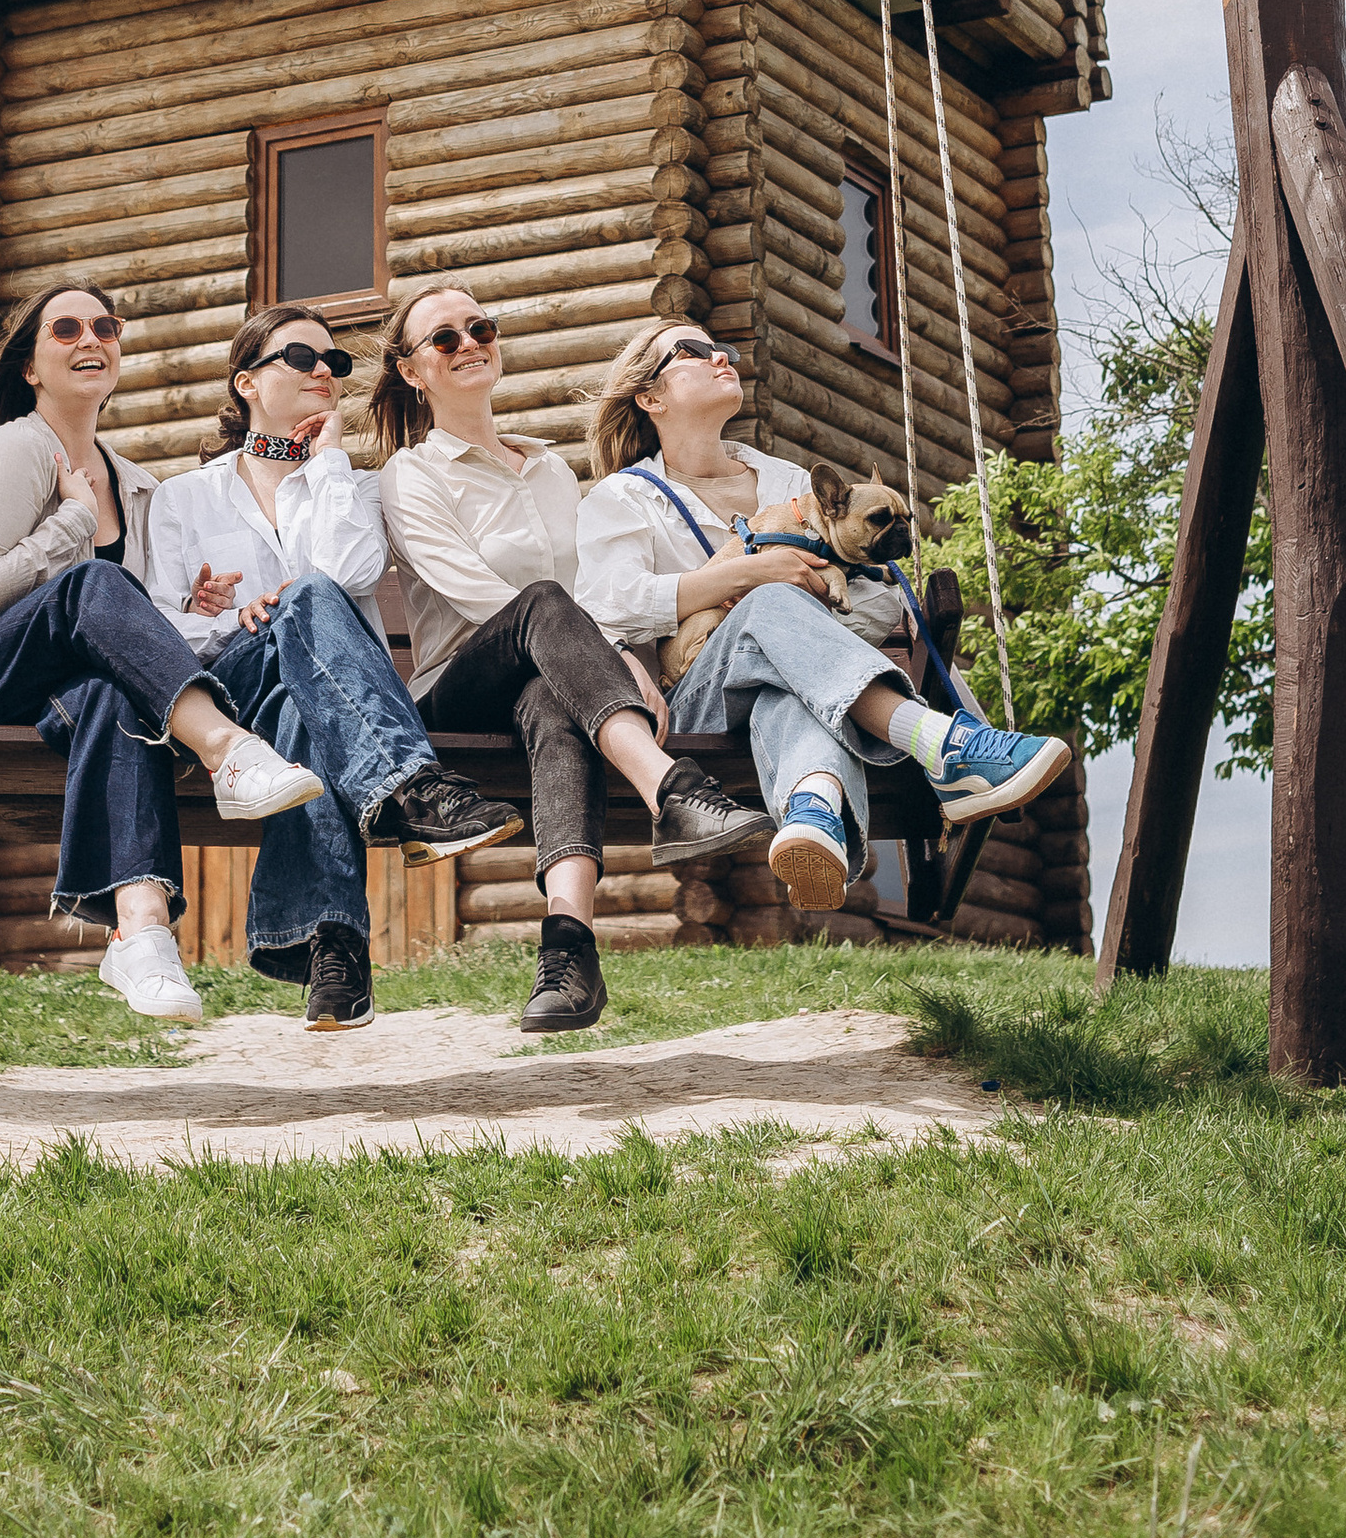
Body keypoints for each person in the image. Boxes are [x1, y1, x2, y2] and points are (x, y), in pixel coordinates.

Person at [0, 276, 324, 1025]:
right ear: (31, 367)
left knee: (121, 692)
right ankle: (228, 750)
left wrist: (182, 613)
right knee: (91, 582)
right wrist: (73, 524)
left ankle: (143, 934)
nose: (92, 339)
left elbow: (116, 625)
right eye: (67, 330)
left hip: (60, 690)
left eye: (106, 327)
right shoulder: (18, 448)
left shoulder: (137, 484)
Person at [574, 318, 1071, 912]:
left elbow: (870, 588)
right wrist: (747, 575)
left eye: (724, 348)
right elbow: (608, 605)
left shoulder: (787, 480)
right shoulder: (624, 497)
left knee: (792, 682)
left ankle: (815, 814)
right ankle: (946, 745)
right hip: (693, 703)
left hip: (801, 682)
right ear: (650, 397)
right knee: (772, 601)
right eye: (693, 352)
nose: (721, 357)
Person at [373, 278, 759, 1033]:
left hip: (552, 682)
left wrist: (621, 658)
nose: (468, 345)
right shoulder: (410, 473)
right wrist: (606, 654)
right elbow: (483, 597)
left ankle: (568, 948)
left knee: (556, 701)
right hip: (459, 688)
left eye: (479, 327)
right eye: (443, 338)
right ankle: (671, 788)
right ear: (413, 372)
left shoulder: (550, 468)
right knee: (543, 602)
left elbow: (597, 590)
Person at [145, 308, 523, 1031]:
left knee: (306, 699)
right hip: (228, 699)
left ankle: (332, 948)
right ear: (246, 382)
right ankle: (411, 788)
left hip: (317, 712)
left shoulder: (351, 483)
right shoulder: (183, 498)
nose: (326, 371)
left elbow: (347, 572)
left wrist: (328, 463)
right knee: (303, 614)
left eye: (336, 363)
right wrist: (227, 614)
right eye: (301, 356)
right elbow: (161, 637)